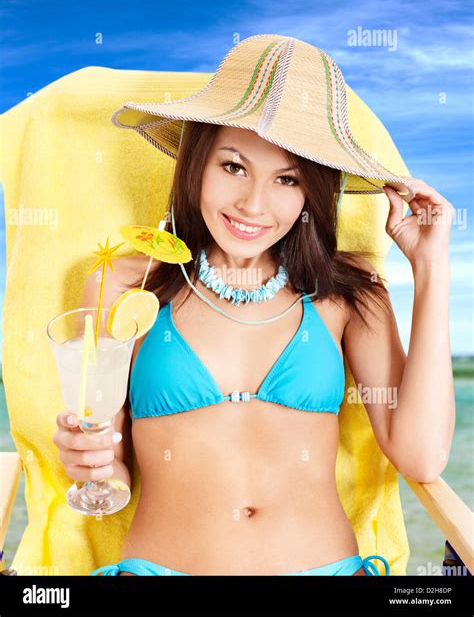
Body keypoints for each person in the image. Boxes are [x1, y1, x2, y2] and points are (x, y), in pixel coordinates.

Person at [53, 35, 455, 577]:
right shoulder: (129, 283)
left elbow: (422, 456)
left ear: (313, 193)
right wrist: (92, 466)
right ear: (196, 163)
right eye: (234, 167)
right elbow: (110, 463)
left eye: (286, 179)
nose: (253, 205)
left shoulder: (350, 292)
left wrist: (430, 267)